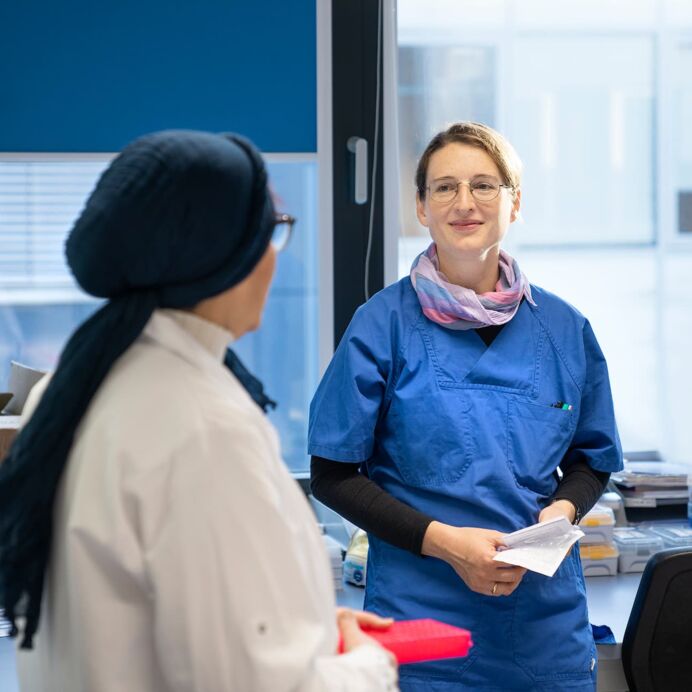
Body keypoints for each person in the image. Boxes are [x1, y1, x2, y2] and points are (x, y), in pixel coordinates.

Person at [0, 130, 398, 691]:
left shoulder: (69, 388)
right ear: (223, 255)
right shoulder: (203, 427)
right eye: (273, 233)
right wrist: (369, 665)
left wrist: (307, 627)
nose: (275, 259)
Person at [308, 122, 622, 691]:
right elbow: (333, 474)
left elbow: (591, 460)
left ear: (514, 203)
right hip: (422, 625)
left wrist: (561, 514)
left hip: (543, 629)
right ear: (422, 208)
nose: (465, 203)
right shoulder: (382, 326)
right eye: (445, 188)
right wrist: (446, 543)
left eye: (484, 185)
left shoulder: (564, 328)